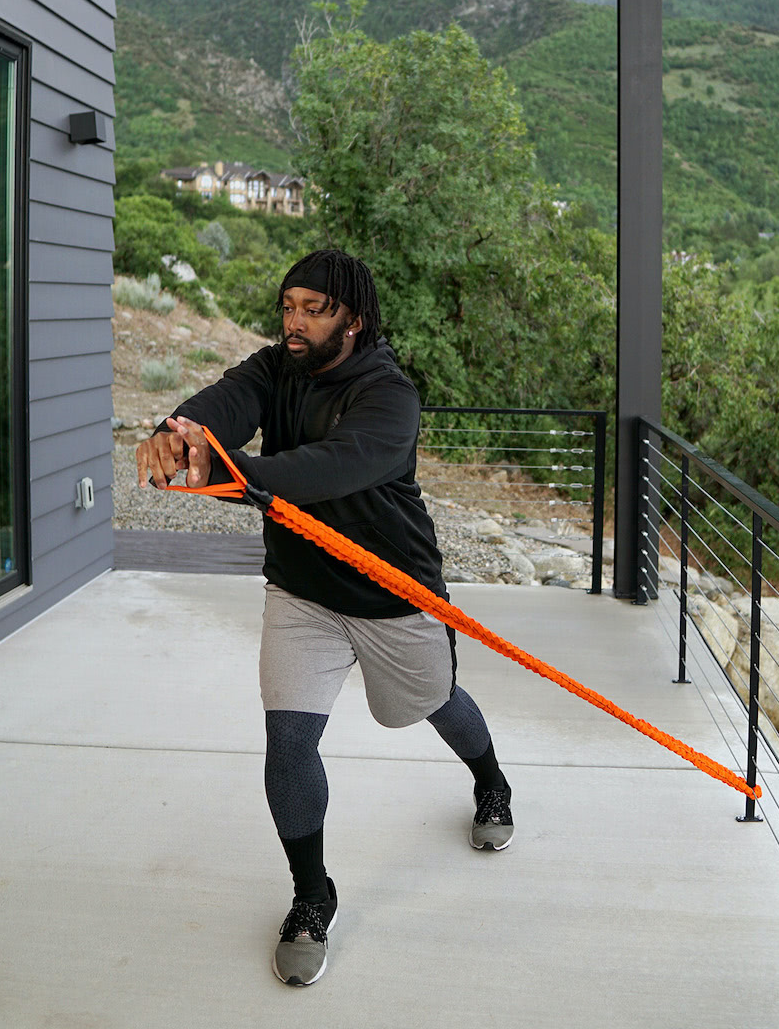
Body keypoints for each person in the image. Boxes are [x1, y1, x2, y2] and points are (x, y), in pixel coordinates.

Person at [135, 248, 513, 987]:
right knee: (288, 742)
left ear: (355, 319)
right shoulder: (274, 368)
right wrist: (180, 432)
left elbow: (334, 467)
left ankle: (490, 781)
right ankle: (313, 895)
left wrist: (233, 471)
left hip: (392, 596)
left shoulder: (389, 394)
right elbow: (222, 405)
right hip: (302, 593)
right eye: (288, 306)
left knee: (435, 703)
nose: (295, 322)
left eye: (314, 309)